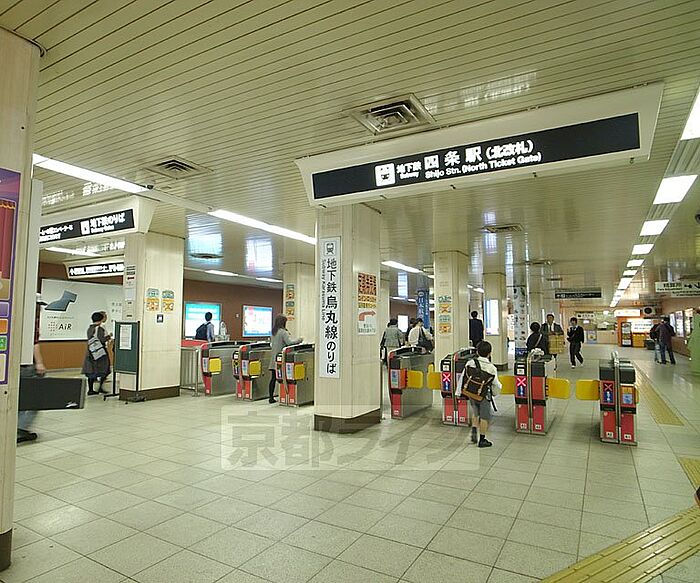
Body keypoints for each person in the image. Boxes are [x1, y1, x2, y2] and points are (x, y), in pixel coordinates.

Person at [17, 294, 47, 443]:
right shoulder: (30, 321)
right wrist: (40, 363)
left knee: (19, 397)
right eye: (39, 306)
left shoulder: (16, 317)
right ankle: (21, 429)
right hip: (28, 365)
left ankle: (14, 426)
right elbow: (34, 343)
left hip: (14, 365)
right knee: (37, 397)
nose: (40, 309)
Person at [464, 341, 501, 448]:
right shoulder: (491, 368)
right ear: (489, 353)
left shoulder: (470, 363)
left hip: (472, 393)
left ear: (477, 352)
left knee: (475, 412)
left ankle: (474, 429)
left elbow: (464, 377)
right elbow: (496, 385)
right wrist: (494, 393)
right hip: (483, 395)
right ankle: (482, 439)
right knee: (484, 416)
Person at [268, 314, 302, 403]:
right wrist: (299, 340)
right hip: (282, 359)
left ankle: (271, 397)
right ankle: (286, 396)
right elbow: (289, 342)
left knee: (273, 378)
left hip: (274, 358)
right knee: (285, 377)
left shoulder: (274, 332)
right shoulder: (283, 332)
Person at [81, 311, 112, 395]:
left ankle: (91, 389)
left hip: (90, 351)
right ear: (101, 319)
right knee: (104, 369)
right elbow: (102, 340)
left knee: (91, 370)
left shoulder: (90, 328)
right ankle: (100, 387)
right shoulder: (100, 329)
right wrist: (109, 336)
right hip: (100, 352)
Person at [689, 307, 700, 375]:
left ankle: (696, 369)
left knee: (696, 356)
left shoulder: (695, 319)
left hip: (695, 341)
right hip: (696, 340)